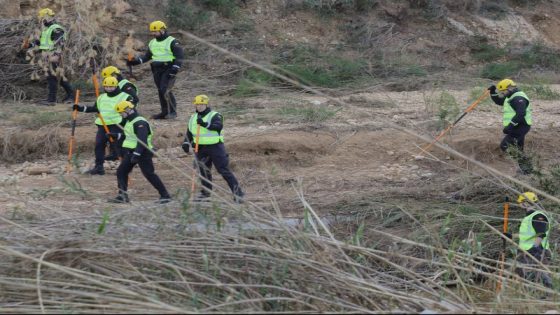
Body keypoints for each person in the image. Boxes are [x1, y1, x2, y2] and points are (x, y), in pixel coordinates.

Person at [182, 95, 244, 203]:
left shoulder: (215, 115)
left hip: (215, 147)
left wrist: (205, 124)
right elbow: (189, 132)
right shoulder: (193, 118)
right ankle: (206, 194)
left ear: (206, 104)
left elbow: (218, 127)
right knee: (204, 171)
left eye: (201, 104)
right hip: (200, 148)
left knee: (223, 170)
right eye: (197, 104)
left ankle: (238, 194)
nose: (199, 106)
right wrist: (186, 142)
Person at [108, 101, 171, 204]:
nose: (121, 115)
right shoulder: (130, 121)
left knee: (149, 174)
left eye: (121, 113)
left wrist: (137, 155)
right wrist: (117, 136)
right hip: (131, 152)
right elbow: (130, 136)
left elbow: (142, 141)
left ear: (128, 110)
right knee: (121, 171)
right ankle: (122, 196)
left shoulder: (140, 123)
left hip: (143, 153)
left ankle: (165, 195)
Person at [73, 77, 134, 174]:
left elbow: (130, 111)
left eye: (111, 86)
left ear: (116, 86)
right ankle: (99, 167)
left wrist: (124, 122)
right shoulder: (101, 97)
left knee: (119, 146)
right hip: (102, 125)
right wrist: (80, 108)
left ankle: (125, 168)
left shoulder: (125, 96)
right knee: (99, 145)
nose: (109, 88)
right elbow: (95, 109)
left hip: (117, 125)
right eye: (107, 86)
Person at [126, 20, 184, 119]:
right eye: (152, 32)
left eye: (155, 31)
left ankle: (172, 112)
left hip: (169, 68)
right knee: (160, 91)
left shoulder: (172, 41)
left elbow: (179, 56)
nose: (153, 34)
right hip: (157, 69)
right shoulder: (152, 42)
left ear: (162, 30)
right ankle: (164, 112)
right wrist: (135, 61)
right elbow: (147, 57)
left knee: (165, 89)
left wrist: (175, 68)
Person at [27, 8, 74, 106]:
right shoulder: (47, 29)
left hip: (54, 56)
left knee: (51, 77)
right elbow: (43, 43)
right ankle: (71, 96)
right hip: (48, 56)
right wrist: (31, 45)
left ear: (47, 17)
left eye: (42, 18)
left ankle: (51, 100)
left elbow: (60, 42)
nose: (40, 20)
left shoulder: (56, 28)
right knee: (59, 78)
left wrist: (56, 55)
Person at [488, 79, 533, 175]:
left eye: (503, 91)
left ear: (509, 88)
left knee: (505, 145)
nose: (502, 94)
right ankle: (527, 171)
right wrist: (493, 93)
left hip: (520, 126)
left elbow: (521, 113)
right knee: (519, 148)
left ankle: (528, 167)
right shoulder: (511, 96)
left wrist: (510, 126)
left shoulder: (518, 98)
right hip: (518, 126)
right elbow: (499, 102)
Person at [508, 192, 552, 286]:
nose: (519, 204)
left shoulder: (538, 216)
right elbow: (527, 235)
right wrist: (511, 236)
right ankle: (531, 298)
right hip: (526, 252)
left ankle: (548, 296)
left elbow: (540, 234)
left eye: (520, 202)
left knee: (539, 278)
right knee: (526, 278)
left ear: (526, 202)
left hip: (536, 253)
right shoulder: (529, 217)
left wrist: (534, 248)